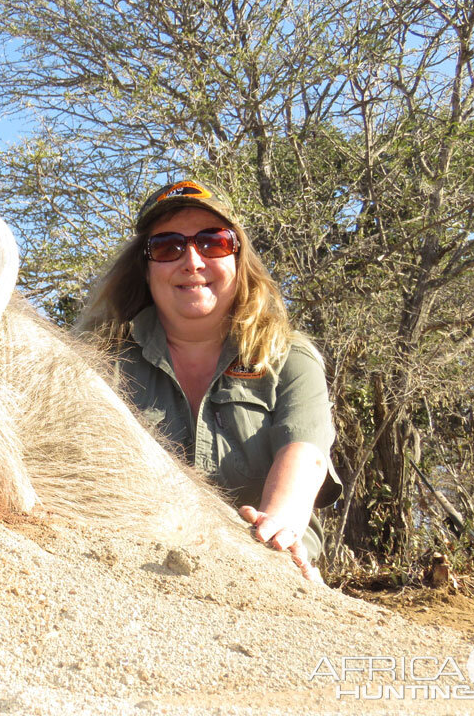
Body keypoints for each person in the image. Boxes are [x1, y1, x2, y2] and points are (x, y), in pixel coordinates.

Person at [76, 179, 342, 580]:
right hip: (129, 564)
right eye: (167, 247)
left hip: (262, 564)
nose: (192, 262)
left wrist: (278, 531)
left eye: (212, 242)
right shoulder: (99, 360)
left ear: (239, 259)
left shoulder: (289, 358)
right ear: (145, 270)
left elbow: (306, 455)